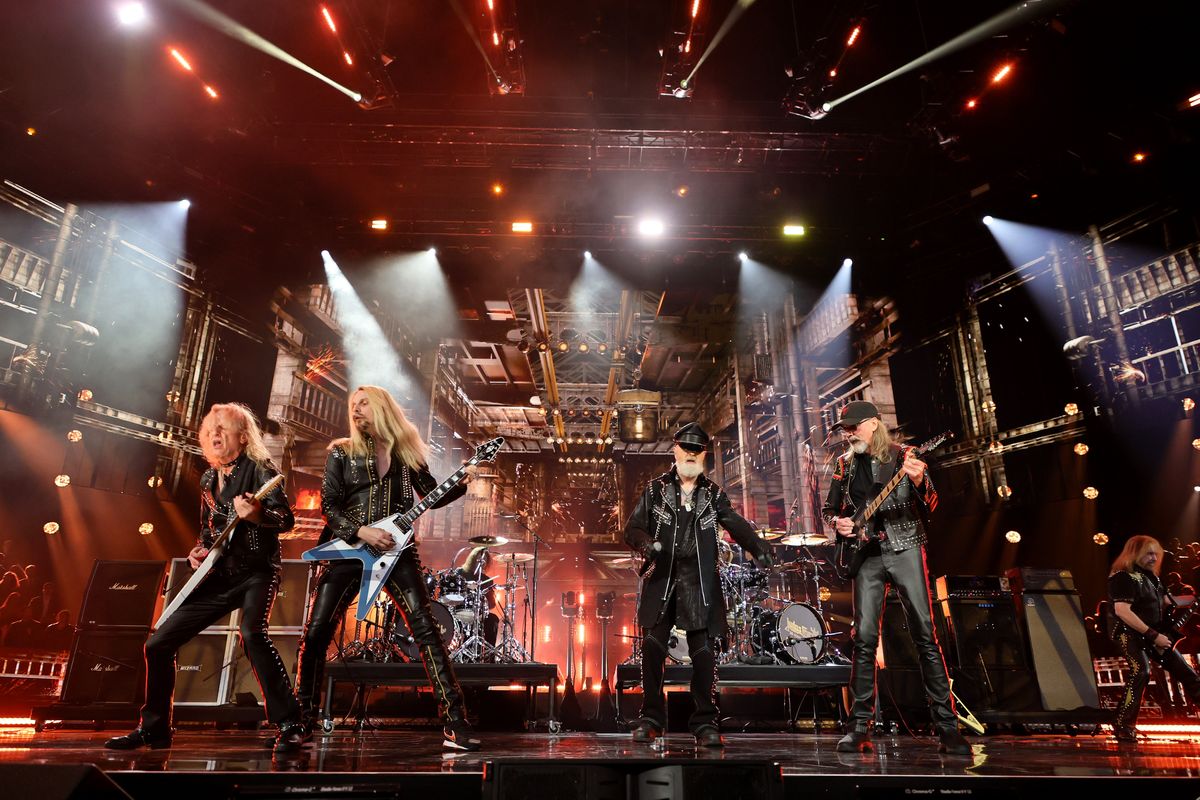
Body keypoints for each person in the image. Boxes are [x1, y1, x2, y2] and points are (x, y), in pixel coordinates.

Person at [106, 403, 304, 753]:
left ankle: (290, 723)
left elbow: (286, 520)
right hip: (222, 574)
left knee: (251, 635)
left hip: (258, 571)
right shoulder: (209, 479)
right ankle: (154, 728)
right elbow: (209, 530)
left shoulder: (261, 470)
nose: (214, 433)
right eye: (210, 428)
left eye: (223, 428)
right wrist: (199, 549)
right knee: (158, 644)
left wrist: (258, 515)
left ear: (242, 438)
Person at [294, 385, 480, 751]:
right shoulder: (341, 453)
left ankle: (455, 722)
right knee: (316, 633)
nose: (356, 408)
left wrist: (464, 481)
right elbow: (329, 507)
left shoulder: (406, 452)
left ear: (381, 407)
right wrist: (362, 531)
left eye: (364, 402)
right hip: (347, 550)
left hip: (399, 553)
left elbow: (432, 495)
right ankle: (302, 720)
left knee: (426, 630)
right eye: (353, 404)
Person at [822, 401, 969, 755]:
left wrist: (919, 480)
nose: (848, 432)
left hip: (905, 547)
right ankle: (859, 726)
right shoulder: (844, 465)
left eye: (854, 426)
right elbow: (829, 511)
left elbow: (932, 503)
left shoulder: (905, 455)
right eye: (845, 428)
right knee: (864, 639)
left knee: (924, 634)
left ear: (874, 424)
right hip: (867, 555)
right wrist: (837, 524)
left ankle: (947, 726)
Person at [623, 422, 774, 748]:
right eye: (686, 448)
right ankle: (650, 719)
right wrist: (647, 544)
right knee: (651, 647)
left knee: (704, 653)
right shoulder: (654, 490)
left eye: (697, 450)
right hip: (663, 577)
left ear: (703, 454)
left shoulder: (714, 494)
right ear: (675, 450)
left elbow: (735, 523)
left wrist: (759, 547)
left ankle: (705, 722)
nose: (690, 455)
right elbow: (631, 528)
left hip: (699, 582)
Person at [1108, 535, 1200, 743]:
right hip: (1129, 634)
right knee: (1141, 671)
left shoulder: (1152, 577)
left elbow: (1168, 601)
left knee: (1188, 674)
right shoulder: (1123, 576)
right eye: (1148, 553)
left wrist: (1194, 599)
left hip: (1156, 635)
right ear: (1135, 553)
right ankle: (1124, 725)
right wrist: (1153, 635)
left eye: (1155, 553)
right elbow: (1122, 611)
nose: (1153, 557)